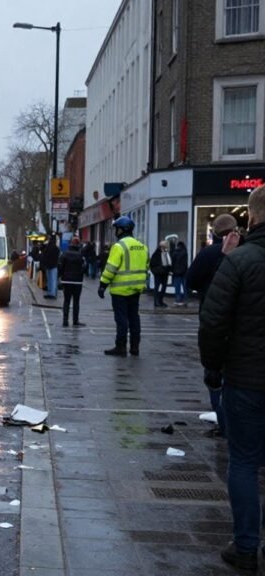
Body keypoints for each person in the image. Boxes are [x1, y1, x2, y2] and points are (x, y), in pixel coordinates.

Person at [198, 185, 265, 572]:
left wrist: (213, 368)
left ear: (253, 217)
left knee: (243, 460)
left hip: (247, 379)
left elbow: (213, 320)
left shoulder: (240, 261)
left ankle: (245, 547)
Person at [189, 213, 242, 439]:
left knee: (215, 374)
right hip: (246, 324)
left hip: (216, 318)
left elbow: (190, 280)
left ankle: (225, 424)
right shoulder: (251, 251)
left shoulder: (210, 254)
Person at [97, 216, 149, 356]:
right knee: (134, 318)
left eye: (116, 229)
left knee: (121, 319)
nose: (115, 231)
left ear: (122, 229)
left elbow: (111, 268)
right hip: (136, 289)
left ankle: (120, 347)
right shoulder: (142, 246)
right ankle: (135, 347)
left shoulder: (119, 246)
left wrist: (103, 285)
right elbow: (146, 267)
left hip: (120, 290)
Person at [59, 236, 86, 327]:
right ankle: (75, 320)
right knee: (76, 302)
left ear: (70, 244)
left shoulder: (64, 254)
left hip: (66, 281)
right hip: (77, 282)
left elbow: (60, 266)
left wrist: (60, 277)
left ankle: (65, 321)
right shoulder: (81, 255)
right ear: (78, 245)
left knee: (66, 301)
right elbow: (84, 267)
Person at [149, 240, 172, 308]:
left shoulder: (166, 253)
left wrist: (168, 269)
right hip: (159, 273)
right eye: (165, 246)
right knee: (157, 287)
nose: (166, 248)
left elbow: (169, 262)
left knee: (164, 287)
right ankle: (156, 302)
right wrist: (157, 270)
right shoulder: (156, 254)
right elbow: (152, 264)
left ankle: (160, 301)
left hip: (165, 273)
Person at [170, 239, 189, 306]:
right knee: (184, 287)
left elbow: (172, 262)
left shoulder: (175, 252)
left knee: (177, 287)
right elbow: (185, 264)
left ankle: (178, 300)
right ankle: (185, 300)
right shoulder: (185, 252)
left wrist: (172, 270)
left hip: (176, 273)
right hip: (184, 272)